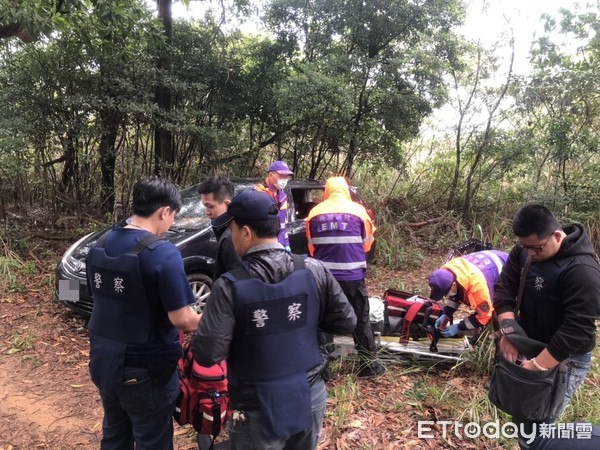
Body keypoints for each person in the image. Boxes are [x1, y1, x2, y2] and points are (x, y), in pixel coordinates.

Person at [191, 189, 357, 450]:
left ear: (245, 232)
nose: (230, 236)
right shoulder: (313, 269)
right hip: (309, 390)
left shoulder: (229, 286)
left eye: (232, 229)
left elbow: (208, 352)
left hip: (256, 404)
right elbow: (346, 321)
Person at [85, 177, 201, 450]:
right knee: (153, 441)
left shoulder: (100, 244)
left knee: (114, 436)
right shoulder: (163, 253)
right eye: (173, 216)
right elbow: (182, 318)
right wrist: (216, 319)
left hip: (104, 361)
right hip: (146, 371)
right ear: (165, 211)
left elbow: (96, 295)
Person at [493, 204, 600, 449]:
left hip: (564, 357)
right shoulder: (523, 251)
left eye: (536, 248)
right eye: (524, 246)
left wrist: (538, 365)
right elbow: (504, 289)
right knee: (524, 418)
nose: (529, 253)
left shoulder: (582, 271)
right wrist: (509, 332)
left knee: (538, 428)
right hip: (528, 342)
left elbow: (577, 330)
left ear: (557, 235)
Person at [306, 176, 384, 378]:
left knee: (322, 322)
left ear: (327, 191)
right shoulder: (358, 211)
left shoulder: (314, 213)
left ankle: (322, 371)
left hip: (323, 278)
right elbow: (367, 243)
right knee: (360, 319)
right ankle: (369, 367)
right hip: (353, 276)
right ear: (346, 190)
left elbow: (311, 247)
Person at [428, 250, 508, 337]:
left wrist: (459, 327)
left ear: (454, 285)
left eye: (445, 293)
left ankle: (501, 338)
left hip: (507, 267)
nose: (445, 296)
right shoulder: (447, 270)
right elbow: (456, 294)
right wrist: (446, 313)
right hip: (488, 262)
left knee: (496, 310)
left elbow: (484, 316)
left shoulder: (478, 288)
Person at [197, 175, 241, 280]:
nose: (207, 212)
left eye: (210, 206)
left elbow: (237, 279)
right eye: (205, 206)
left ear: (227, 204)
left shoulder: (232, 236)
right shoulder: (221, 227)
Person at [256, 160, 294, 250]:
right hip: (263, 248)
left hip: (279, 248)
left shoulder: (283, 197)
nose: (284, 180)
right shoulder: (259, 195)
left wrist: (286, 243)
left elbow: (283, 225)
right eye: (281, 176)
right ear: (270, 175)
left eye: (286, 177)